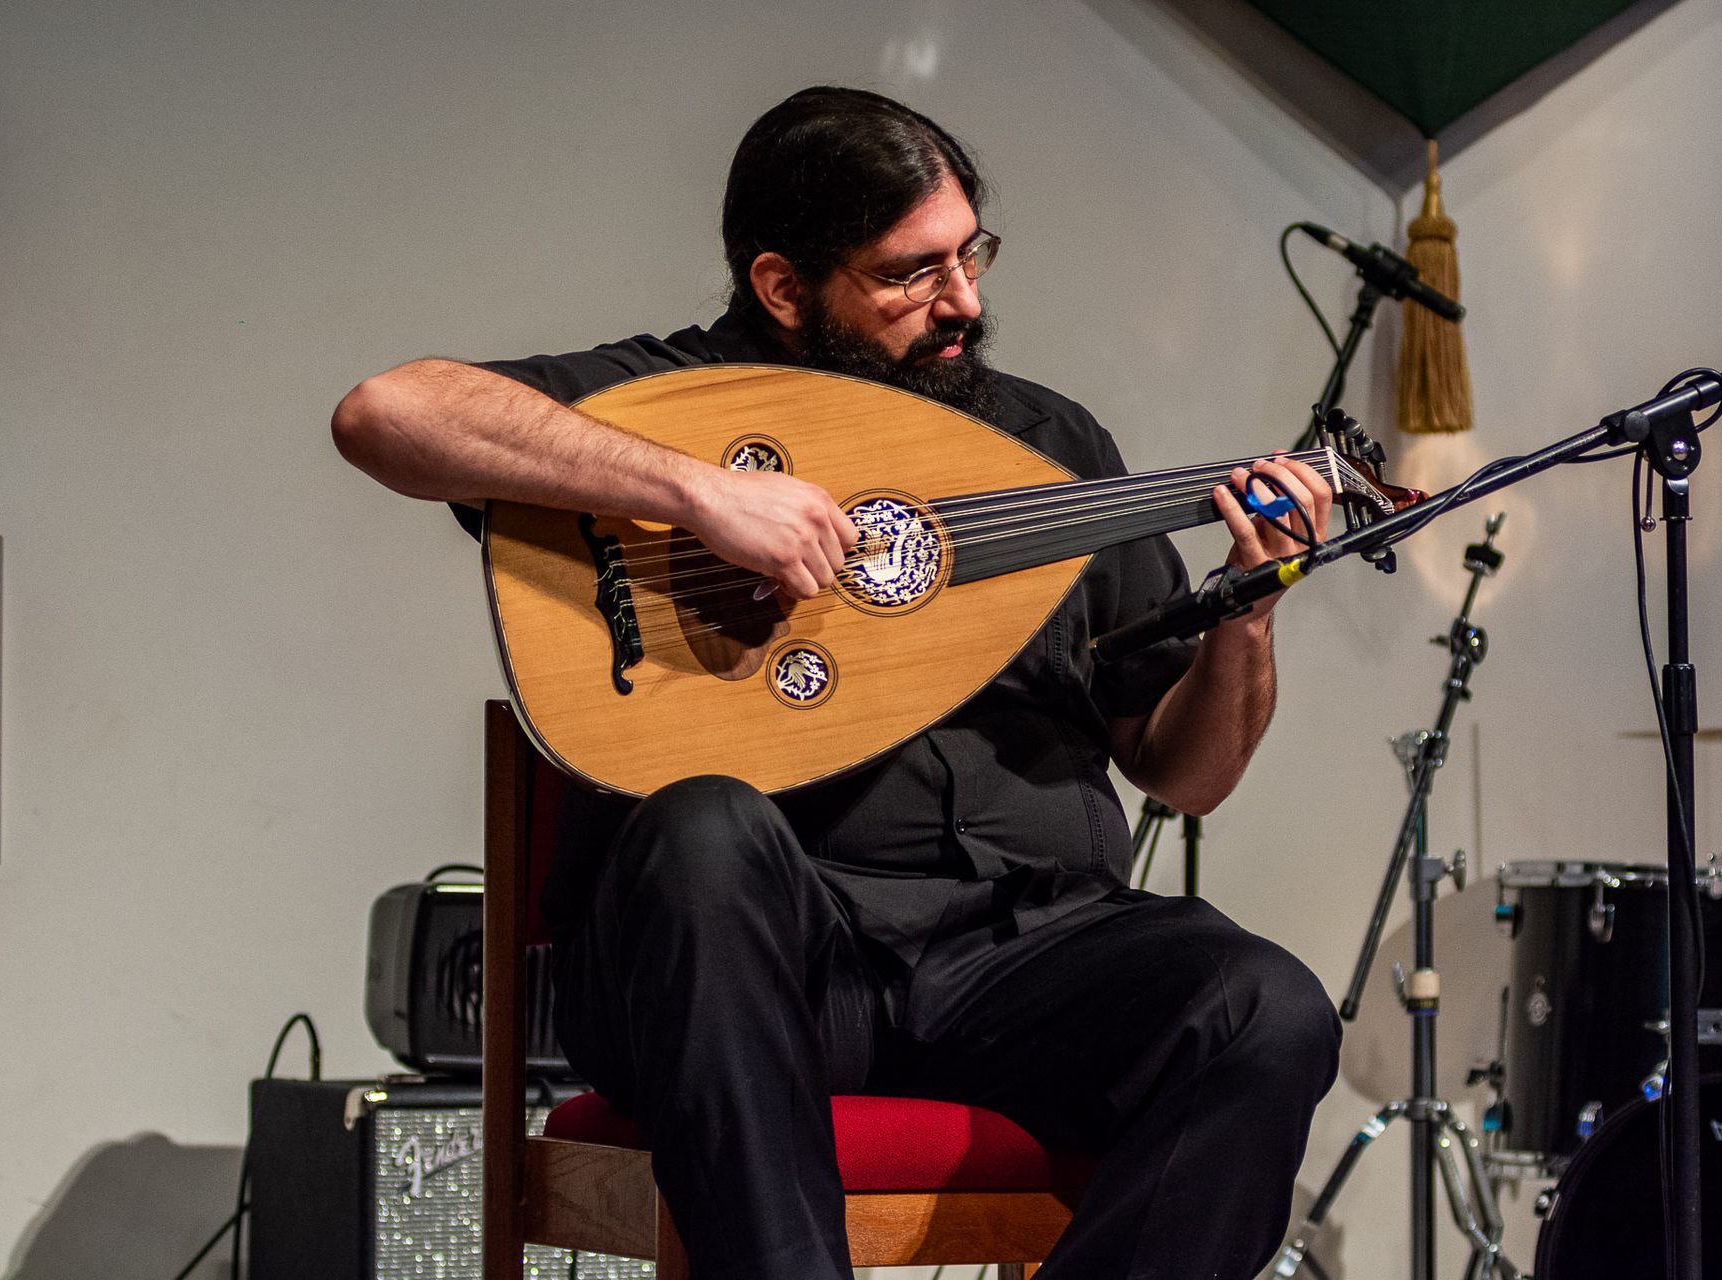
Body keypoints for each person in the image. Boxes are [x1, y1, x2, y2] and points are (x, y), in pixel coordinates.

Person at [333, 85, 1341, 1280]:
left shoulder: (1051, 448)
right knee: (704, 827)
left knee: (1265, 1005)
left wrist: (1247, 617)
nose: (963, 301)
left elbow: (1189, 773)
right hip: (761, 971)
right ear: (781, 286)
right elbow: (387, 413)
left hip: (1020, 961)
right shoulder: (679, 399)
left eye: (970, 254)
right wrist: (696, 490)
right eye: (911, 273)